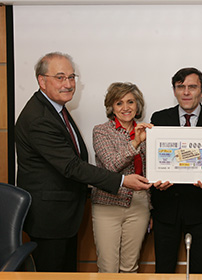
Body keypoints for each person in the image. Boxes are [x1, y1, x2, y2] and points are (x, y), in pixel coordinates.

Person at [15, 52, 152, 272]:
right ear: (42, 80)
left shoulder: (57, 110)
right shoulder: (39, 118)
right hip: (49, 216)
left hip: (64, 214)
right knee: (54, 274)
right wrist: (123, 181)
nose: (68, 84)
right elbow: (71, 166)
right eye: (60, 77)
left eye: (71, 77)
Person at [150, 67, 202, 273]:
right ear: (174, 90)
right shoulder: (159, 119)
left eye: (192, 87)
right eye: (180, 87)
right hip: (165, 208)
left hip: (200, 208)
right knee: (163, 270)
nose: (186, 92)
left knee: (199, 269)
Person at [91, 82, 152, 273]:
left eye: (130, 102)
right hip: (107, 204)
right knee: (108, 269)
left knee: (130, 267)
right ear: (111, 107)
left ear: (138, 105)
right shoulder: (101, 131)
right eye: (119, 103)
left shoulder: (149, 132)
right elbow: (111, 165)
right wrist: (135, 142)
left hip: (139, 205)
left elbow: (152, 171)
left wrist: (151, 205)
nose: (126, 107)